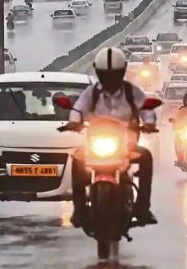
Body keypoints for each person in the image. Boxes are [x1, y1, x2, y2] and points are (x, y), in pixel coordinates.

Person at [65, 47, 158, 228]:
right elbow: (78, 108)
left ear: (122, 71)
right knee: (76, 160)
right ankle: (79, 209)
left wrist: (149, 123)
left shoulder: (132, 92)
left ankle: (142, 208)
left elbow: (146, 108)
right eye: (106, 75)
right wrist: (74, 122)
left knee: (146, 157)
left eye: (113, 74)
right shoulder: (91, 93)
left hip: (127, 144)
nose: (110, 79)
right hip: (95, 143)